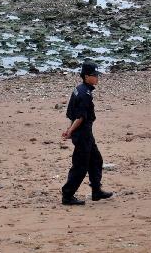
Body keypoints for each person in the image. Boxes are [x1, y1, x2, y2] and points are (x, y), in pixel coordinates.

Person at [61, 62, 113, 205]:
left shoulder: (79, 89)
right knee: (80, 166)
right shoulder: (85, 94)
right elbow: (80, 117)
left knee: (96, 160)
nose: (97, 78)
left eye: (97, 75)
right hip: (83, 134)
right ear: (86, 76)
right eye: (94, 75)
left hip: (85, 134)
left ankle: (96, 190)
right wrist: (70, 131)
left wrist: (69, 129)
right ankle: (67, 195)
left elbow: (72, 114)